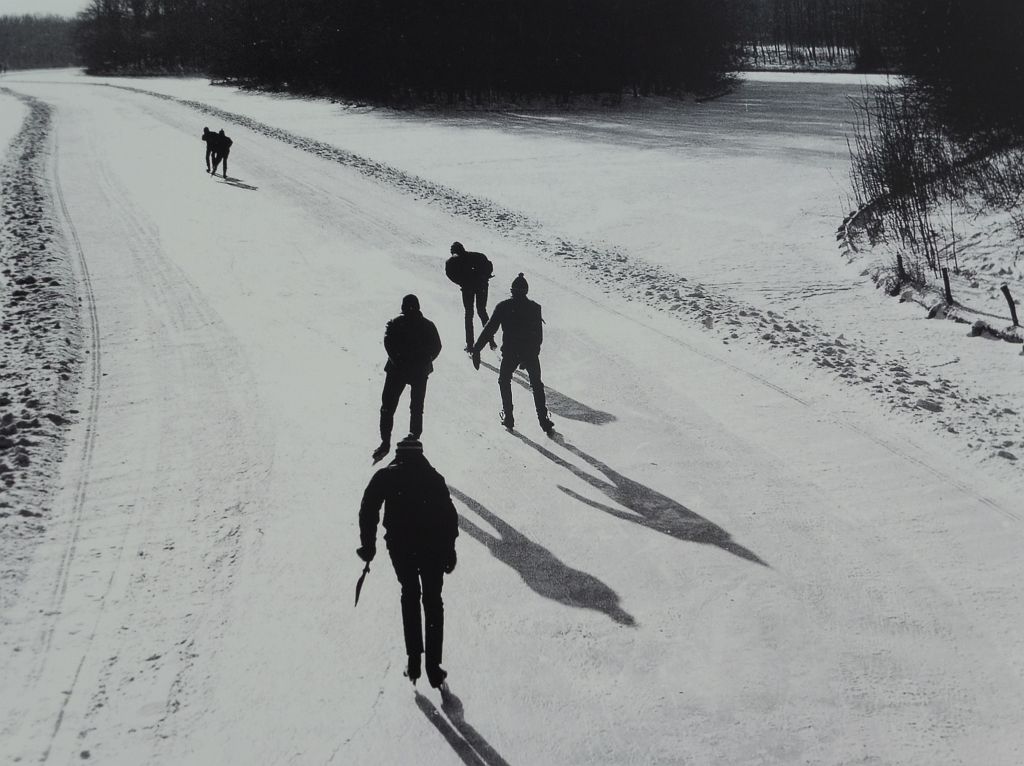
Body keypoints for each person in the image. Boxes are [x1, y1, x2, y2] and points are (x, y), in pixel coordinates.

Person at [357, 436, 458, 687]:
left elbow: (368, 509)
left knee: (410, 594)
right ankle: (434, 667)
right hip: (432, 547)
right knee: (433, 601)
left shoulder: (386, 476)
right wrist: (449, 551)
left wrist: (368, 546)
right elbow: (449, 517)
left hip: (401, 547)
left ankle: (414, 660)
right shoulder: (434, 478)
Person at [471, 272, 554, 433]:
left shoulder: (503, 306)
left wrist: (477, 349)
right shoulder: (535, 308)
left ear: (512, 290)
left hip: (510, 352)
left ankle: (509, 417)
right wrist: (531, 353)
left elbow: (489, 329)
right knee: (537, 385)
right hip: (530, 353)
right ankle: (543, 420)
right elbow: (538, 337)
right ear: (526, 291)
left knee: (504, 380)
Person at [373, 294, 442, 463]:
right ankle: (413, 440)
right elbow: (437, 346)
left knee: (388, 407)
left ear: (403, 307)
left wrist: (398, 361)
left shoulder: (396, 323)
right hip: (419, 372)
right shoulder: (428, 325)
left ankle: (385, 443)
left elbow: (388, 342)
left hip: (397, 371)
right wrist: (425, 361)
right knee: (417, 408)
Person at [446, 242, 496, 353]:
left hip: (467, 288)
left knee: (469, 314)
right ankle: (491, 340)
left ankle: (470, 345)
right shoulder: (478, 256)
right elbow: (489, 267)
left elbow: (450, 274)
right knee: (482, 311)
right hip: (481, 286)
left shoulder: (452, 262)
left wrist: (462, 282)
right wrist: (482, 278)